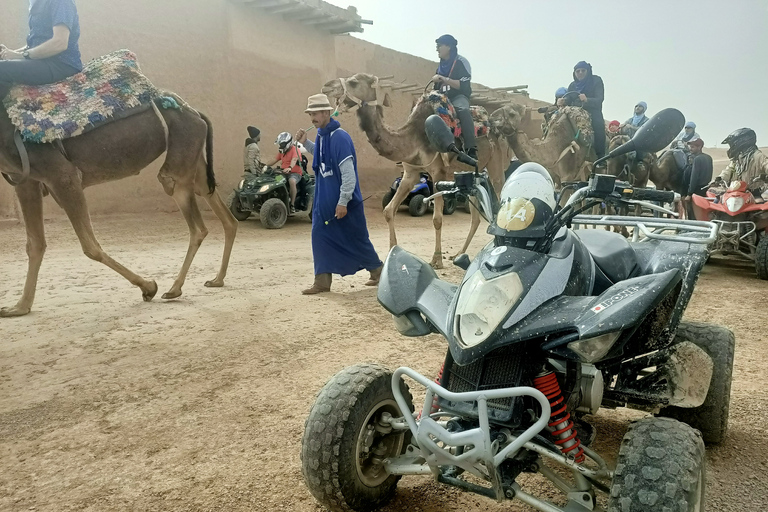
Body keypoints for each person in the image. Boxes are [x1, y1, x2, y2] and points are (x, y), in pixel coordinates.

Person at [295, 93, 382, 295]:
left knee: (356, 240)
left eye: (315, 113)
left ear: (326, 112)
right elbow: (323, 155)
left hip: (344, 206)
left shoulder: (341, 137)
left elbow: (348, 175)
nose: (312, 118)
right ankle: (322, 282)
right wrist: (306, 143)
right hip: (323, 205)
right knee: (319, 237)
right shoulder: (322, 136)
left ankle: (378, 270)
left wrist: (343, 202)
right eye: (310, 114)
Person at [0, 0, 82, 94]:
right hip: (42, 60)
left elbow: (60, 43)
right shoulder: (37, 3)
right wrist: (9, 53)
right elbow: (35, 44)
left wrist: (21, 55)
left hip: (61, 64)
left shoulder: (61, 2)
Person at [432, 34, 477, 159]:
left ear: (449, 47)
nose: (437, 49)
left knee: (463, 110)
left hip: (458, 97)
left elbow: (463, 85)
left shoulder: (461, 62)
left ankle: (470, 148)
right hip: (443, 99)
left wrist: (443, 79)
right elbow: (436, 88)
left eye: (439, 46)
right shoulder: (440, 67)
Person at [563, 61, 606, 159]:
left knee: (598, 125)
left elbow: (600, 99)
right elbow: (569, 98)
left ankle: (601, 156)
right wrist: (563, 100)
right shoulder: (573, 85)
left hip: (592, 110)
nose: (580, 73)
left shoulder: (596, 80)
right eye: (578, 71)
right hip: (574, 111)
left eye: (583, 70)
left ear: (588, 71)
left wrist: (587, 100)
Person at [264, 132, 303, 213]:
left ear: (288, 143)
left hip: (295, 173)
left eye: (282, 144)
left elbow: (294, 159)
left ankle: (292, 205)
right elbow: (274, 160)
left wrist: (290, 167)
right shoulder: (282, 152)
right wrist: (265, 165)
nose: (280, 146)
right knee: (275, 180)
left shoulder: (295, 150)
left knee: (292, 181)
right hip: (283, 174)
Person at [682, 138, 713, 219]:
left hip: (696, 189)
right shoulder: (708, 157)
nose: (690, 149)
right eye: (690, 147)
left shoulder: (697, 159)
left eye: (693, 147)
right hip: (705, 188)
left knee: (693, 214)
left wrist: (689, 194)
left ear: (699, 147)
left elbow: (694, 177)